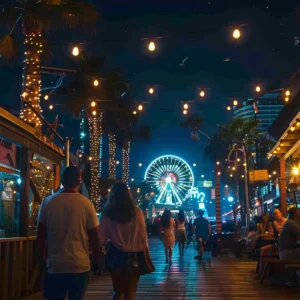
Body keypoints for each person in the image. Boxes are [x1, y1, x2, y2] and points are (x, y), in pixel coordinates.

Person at [37, 166, 101, 300]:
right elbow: (94, 236)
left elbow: (41, 234)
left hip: (55, 264)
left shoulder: (47, 202)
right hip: (79, 264)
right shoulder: (86, 204)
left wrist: (40, 259)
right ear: (80, 181)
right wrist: (98, 259)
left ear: (62, 180)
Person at [99, 182, 148, 300]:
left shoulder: (106, 212)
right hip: (133, 254)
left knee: (118, 290)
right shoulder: (137, 212)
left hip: (115, 254)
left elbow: (101, 237)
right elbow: (142, 236)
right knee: (130, 292)